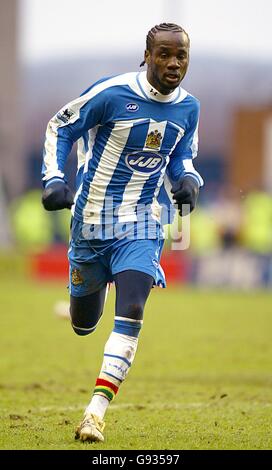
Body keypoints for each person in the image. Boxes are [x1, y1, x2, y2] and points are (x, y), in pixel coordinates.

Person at [41, 23, 204, 443]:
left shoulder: (189, 108)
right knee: (83, 323)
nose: (173, 63)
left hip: (142, 221)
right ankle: (96, 284)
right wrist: (54, 177)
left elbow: (182, 154)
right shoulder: (111, 94)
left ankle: (95, 413)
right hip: (91, 223)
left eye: (181, 55)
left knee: (132, 309)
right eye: (164, 54)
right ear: (146, 56)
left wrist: (187, 178)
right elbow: (60, 127)